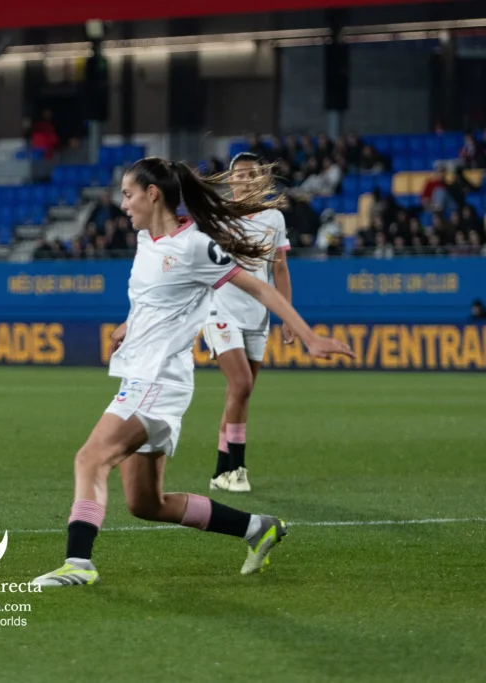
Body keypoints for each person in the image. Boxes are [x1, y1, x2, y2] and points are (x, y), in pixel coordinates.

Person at [31, 157, 353, 587]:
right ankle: (258, 528)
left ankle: (78, 565)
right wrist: (130, 325)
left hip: (157, 382)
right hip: (142, 378)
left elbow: (259, 286)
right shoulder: (147, 240)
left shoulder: (195, 246)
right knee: (146, 504)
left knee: (90, 459)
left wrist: (308, 337)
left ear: (152, 194)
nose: (121, 203)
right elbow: (154, 298)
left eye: (128, 194)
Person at [203, 153, 293, 493]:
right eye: (238, 174)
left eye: (251, 173)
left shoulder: (274, 217)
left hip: (258, 316)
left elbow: (280, 269)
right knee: (240, 385)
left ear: (261, 178)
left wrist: (286, 314)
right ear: (230, 180)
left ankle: (220, 471)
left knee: (239, 393)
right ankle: (237, 468)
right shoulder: (217, 215)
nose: (244, 178)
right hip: (221, 311)